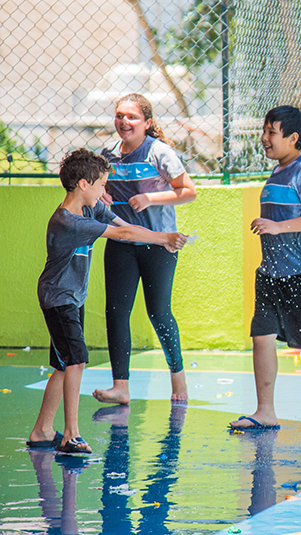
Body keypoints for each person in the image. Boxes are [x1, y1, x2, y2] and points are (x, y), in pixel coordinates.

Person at [30, 149, 185, 454]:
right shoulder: (69, 222)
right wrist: (164, 238)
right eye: (102, 185)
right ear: (84, 185)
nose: (105, 192)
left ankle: (42, 431)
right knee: (76, 360)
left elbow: (127, 225)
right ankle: (71, 434)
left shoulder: (91, 210)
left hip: (70, 298)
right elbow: (123, 233)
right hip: (58, 299)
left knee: (64, 365)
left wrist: (160, 236)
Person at [228, 106, 301, 432]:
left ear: (293, 138)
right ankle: (265, 411)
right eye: (265, 131)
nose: (264, 138)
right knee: (261, 338)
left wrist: (278, 227)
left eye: (271, 132)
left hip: (295, 275)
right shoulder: (279, 172)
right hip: (269, 274)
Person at [93, 94, 197, 405]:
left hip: (159, 244)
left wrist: (151, 199)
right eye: (119, 116)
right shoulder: (108, 156)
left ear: (147, 123)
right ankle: (120, 386)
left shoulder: (159, 153)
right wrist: (103, 197)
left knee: (159, 312)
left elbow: (188, 191)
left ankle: (178, 379)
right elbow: (101, 192)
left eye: (132, 117)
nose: (124, 122)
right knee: (116, 312)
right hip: (122, 243)